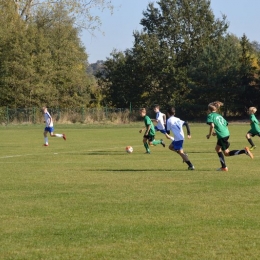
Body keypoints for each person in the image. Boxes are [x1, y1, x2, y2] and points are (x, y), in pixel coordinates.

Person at [206, 101, 253, 171]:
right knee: (218, 149)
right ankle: (224, 167)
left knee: (226, 153)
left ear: (209, 110)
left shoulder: (210, 115)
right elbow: (225, 124)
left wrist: (209, 134)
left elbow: (212, 125)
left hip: (222, 136)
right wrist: (217, 133)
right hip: (226, 133)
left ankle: (243, 152)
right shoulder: (219, 115)